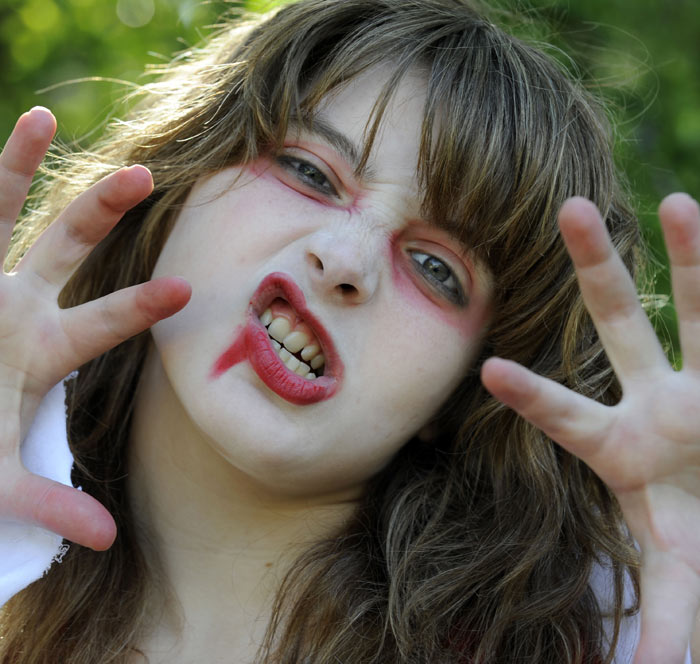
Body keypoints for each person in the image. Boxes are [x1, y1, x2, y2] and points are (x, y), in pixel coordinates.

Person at [0, 0, 698, 661]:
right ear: (184, 180)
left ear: (462, 389)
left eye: (436, 268)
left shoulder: (603, 634)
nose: (347, 259)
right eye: (309, 171)